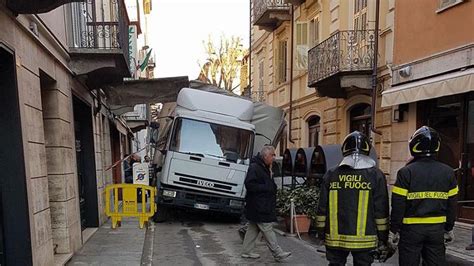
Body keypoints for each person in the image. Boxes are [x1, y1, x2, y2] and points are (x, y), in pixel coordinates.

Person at [316, 131, 390, 265]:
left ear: (344, 149)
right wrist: (383, 238)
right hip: (365, 240)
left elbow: (322, 207)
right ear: (367, 149)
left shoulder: (331, 174)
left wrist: (321, 233)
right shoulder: (376, 175)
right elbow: (381, 210)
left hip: (335, 238)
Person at [389, 126, 458, 265]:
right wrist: (449, 228)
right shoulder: (448, 172)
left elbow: (398, 205)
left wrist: (393, 230)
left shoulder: (405, 172)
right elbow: (452, 205)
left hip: (411, 231)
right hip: (437, 230)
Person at [241, 145, 292, 262]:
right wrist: (267, 187)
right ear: (265, 156)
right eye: (272, 155)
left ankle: (246, 251)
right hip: (259, 205)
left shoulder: (265, 167)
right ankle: (277, 252)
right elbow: (249, 185)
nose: (274, 158)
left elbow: (269, 185)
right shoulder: (255, 167)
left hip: (260, 205)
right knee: (267, 229)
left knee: (253, 228)